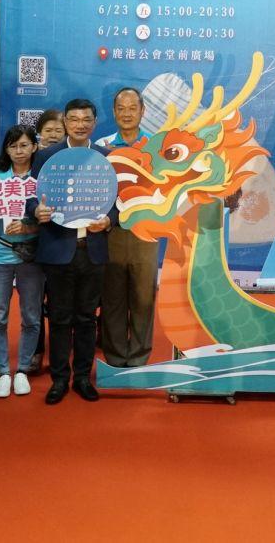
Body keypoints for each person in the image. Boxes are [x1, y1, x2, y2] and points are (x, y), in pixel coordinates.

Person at [29, 175, 114, 403]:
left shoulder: (102, 162)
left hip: (92, 251)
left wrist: (109, 220)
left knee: (87, 318)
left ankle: (82, 378)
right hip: (58, 251)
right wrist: (36, 210)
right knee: (59, 318)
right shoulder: (49, 160)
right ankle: (59, 379)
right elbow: (29, 195)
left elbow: (116, 201)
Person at [0, 125, 44, 398]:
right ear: (6, 149)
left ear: (34, 147)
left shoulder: (41, 180)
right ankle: (3, 371)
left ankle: (22, 370)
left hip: (31, 257)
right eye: (13, 146)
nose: (19, 151)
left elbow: (51, 220)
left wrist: (28, 227)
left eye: (24, 145)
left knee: (31, 316)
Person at [97, 87, 159, 368]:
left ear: (142, 111)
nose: (126, 113)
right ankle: (114, 355)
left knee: (143, 296)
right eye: (121, 108)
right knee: (113, 297)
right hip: (111, 230)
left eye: (132, 108)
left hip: (145, 230)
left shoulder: (156, 146)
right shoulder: (103, 146)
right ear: (113, 112)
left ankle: (138, 356)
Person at [32, 98, 100, 172]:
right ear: (65, 121)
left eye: (86, 120)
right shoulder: (44, 156)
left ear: (95, 122)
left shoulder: (105, 155)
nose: (80, 126)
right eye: (74, 120)